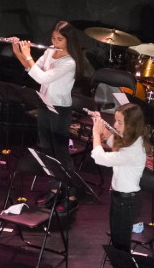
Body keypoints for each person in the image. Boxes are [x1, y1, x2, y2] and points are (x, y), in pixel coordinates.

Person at [10, 21, 93, 210]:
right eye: (53, 38)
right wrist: (18, 53)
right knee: (47, 151)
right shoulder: (49, 52)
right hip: (44, 105)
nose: (55, 42)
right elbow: (33, 70)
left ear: (69, 40)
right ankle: (55, 190)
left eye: (60, 39)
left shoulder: (69, 62)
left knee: (61, 153)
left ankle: (71, 195)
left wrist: (28, 55)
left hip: (59, 109)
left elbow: (42, 78)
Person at [88, 103, 148, 268]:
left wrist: (96, 133)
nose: (115, 125)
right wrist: (100, 125)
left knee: (123, 253)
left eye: (119, 122)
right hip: (119, 199)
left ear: (130, 125)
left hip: (127, 202)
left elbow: (99, 157)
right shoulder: (127, 139)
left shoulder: (133, 148)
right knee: (117, 249)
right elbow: (110, 140)